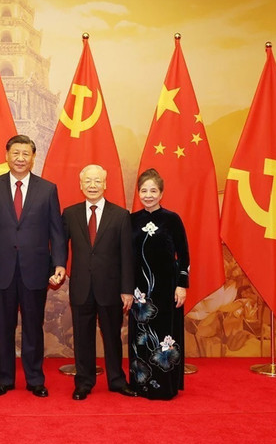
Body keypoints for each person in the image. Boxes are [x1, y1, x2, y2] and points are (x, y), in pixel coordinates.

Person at [0, 134, 66, 397]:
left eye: (25, 153)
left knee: (32, 326)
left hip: (35, 269)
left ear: (33, 157)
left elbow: (56, 232)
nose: (20, 158)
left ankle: (35, 379)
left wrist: (59, 263)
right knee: (5, 325)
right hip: (2, 268)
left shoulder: (47, 189)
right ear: (6, 156)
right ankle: (3, 379)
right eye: (15, 153)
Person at [62, 164, 136, 400]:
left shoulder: (121, 215)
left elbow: (127, 255)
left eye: (97, 181)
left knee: (112, 336)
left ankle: (116, 380)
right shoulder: (70, 213)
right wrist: (57, 268)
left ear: (105, 184)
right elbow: (62, 249)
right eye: (88, 181)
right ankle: (84, 382)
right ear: (80, 185)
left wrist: (127, 289)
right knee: (82, 337)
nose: (92, 185)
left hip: (111, 288)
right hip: (81, 286)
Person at [129, 168, 189, 400]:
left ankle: (165, 386)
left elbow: (184, 255)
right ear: (139, 193)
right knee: (140, 336)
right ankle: (140, 384)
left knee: (165, 336)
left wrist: (181, 285)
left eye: (153, 190)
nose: (148, 195)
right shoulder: (132, 220)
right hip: (140, 293)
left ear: (161, 193)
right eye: (144, 190)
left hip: (167, 289)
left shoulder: (172, 219)